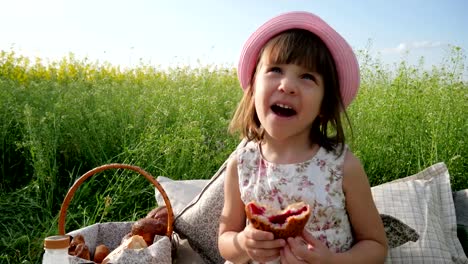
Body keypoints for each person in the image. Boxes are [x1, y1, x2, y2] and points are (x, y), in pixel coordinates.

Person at [218, 11, 388, 264]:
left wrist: (332, 261)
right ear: (253, 88)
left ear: (323, 105)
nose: (287, 85)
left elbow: (376, 246)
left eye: (307, 76)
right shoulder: (242, 164)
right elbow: (225, 240)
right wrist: (242, 243)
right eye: (275, 69)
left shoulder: (342, 167)